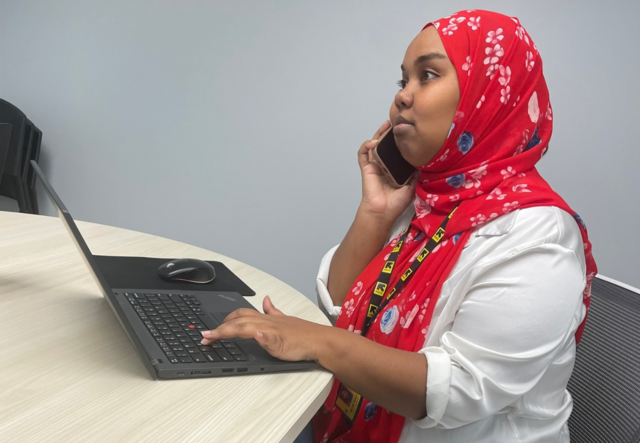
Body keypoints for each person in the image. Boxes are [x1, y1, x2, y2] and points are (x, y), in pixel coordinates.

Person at [200, 9, 597, 443]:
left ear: (487, 98)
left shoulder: (539, 237)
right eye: (402, 81)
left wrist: (318, 343)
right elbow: (340, 306)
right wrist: (376, 213)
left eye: (427, 75)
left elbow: (461, 390)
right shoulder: (428, 200)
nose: (403, 97)